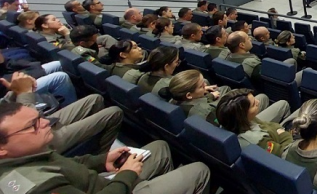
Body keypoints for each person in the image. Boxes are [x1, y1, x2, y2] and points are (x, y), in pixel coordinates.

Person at [0, 102, 211, 194]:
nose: (46, 123)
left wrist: (102, 161)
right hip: (114, 188)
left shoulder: (28, 153)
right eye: (33, 125)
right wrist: (127, 175)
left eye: (40, 118)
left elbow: (65, 165)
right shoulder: (32, 186)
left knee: (160, 147)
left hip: (103, 182)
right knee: (199, 170)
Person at [1, 72, 122, 155]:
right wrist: (24, 93)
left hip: (37, 123)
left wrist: (15, 92)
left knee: (95, 99)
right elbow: (26, 120)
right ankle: (102, 160)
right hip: (37, 140)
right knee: (114, 113)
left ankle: (88, 147)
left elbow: (5, 109)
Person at [216, 89, 295, 154]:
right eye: (253, 104)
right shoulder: (259, 141)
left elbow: (263, 124)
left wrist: (277, 128)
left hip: (271, 131)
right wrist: (284, 134)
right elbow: (283, 153)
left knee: (283, 104)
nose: (258, 102)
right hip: (281, 142)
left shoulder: (232, 120)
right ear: (243, 116)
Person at [0, 52, 77, 107]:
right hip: (6, 96)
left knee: (59, 64)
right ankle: (70, 108)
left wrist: (30, 74)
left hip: (9, 76)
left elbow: (6, 63)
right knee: (60, 78)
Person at [226, 31, 303, 85]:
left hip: (264, 75)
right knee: (304, 72)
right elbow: (267, 79)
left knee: (291, 61)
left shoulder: (228, 58)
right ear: (242, 45)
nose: (250, 39)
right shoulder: (251, 63)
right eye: (247, 38)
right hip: (276, 84)